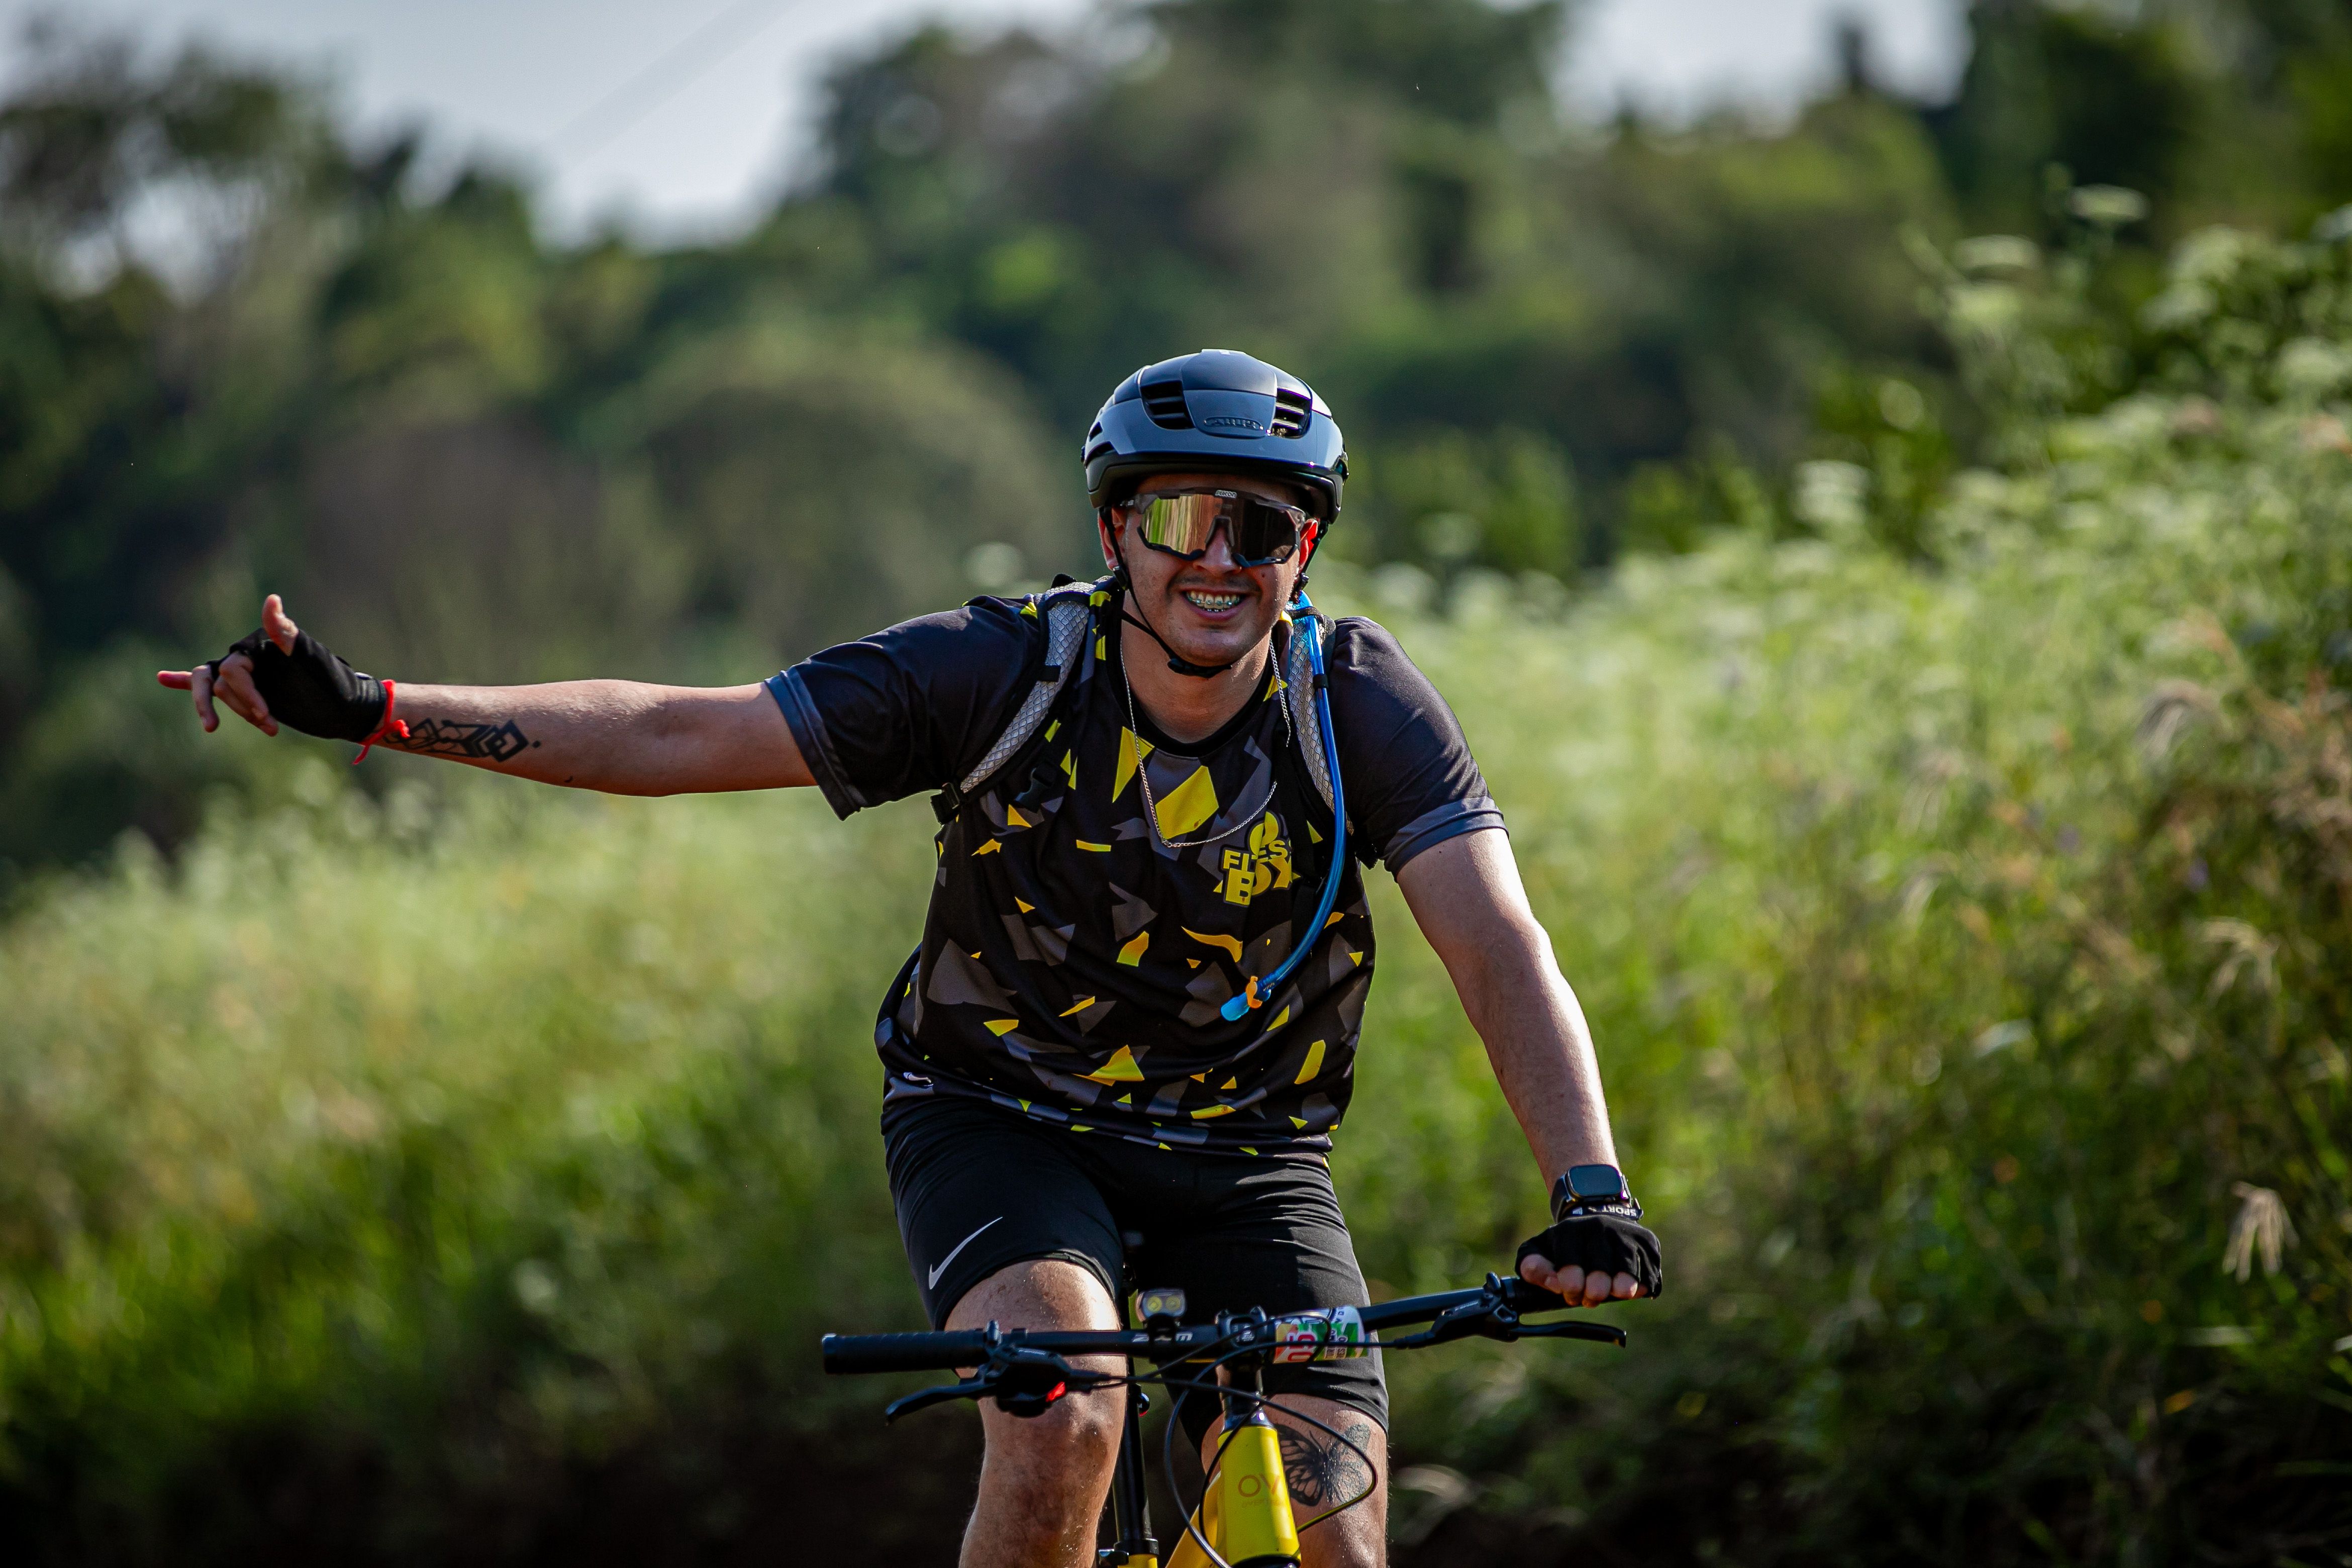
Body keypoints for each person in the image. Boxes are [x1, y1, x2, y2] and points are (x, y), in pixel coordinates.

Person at [161, 349, 1660, 1568]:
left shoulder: (1359, 705)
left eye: (1260, 528)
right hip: (1001, 1122)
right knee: (1068, 1408)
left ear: (1305, 550)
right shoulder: (1001, 672)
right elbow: (678, 733)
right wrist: (377, 708)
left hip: (1253, 1158)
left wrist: (1589, 1188)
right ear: (1114, 535)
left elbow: (1495, 940)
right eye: (1180, 520)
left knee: (1337, 1528)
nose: (1219, 560)